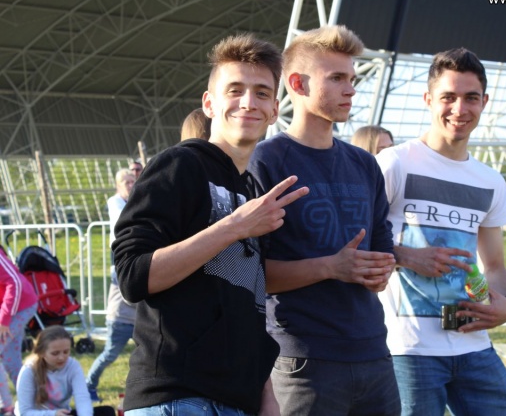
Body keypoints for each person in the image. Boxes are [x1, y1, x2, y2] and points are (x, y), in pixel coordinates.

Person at [112, 33, 309, 416]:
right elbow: (133, 276)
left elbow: (249, 301)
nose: (248, 102)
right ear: (209, 103)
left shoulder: (252, 190)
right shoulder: (179, 165)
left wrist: (266, 396)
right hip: (176, 397)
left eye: (262, 93)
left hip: (238, 399)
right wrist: (233, 226)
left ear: (274, 110)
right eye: (235, 90)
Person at [248, 25, 400, 416]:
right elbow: (250, 275)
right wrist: (332, 267)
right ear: (297, 84)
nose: (350, 90)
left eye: (352, 79)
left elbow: (382, 253)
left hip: (374, 352)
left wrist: (379, 271)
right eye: (336, 79)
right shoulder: (265, 162)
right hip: (303, 360)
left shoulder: (364, 164)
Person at [375, 47, 506, 416]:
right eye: (448, 97)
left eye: (471, 97)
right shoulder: (394, 164)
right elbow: (354, 240)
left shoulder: (490, 181)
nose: (460, 108)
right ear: (428, 100)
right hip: (408, 349)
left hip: (474, 345)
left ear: (484, 102)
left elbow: (495, 266)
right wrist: (407, 256)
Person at [86, 169, 137, 402]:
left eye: (133, 181)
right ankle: (89, 384)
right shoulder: (115, 202)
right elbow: (124, 223)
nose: (130, 185)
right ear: (117, 186)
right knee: (109, 354)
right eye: (126, 182)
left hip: (137, 317)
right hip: (121, 318)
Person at [15, 325, 114, 416]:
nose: (61, 357)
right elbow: (25, 412)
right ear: (42, 353)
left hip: (62, 413)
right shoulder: (29, 371)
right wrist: (53, 414)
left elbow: (82, 398)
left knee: (107, 412)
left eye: (66, 352)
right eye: (55, 353)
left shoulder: (73, 366)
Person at [0, 246, 38, 416]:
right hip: (9, 308)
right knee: (11, 360)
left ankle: (6, 407)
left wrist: (4, 319)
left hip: (21, 306)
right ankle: (32, 402)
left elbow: (14, 282)